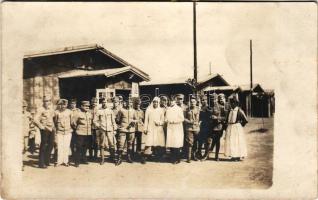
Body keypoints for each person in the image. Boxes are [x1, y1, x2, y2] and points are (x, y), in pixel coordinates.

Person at [224, 95, 248, 161]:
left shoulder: (239, 110)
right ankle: (233, 155)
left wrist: (239, 125)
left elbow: (245, 120)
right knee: (231, 142)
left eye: (232, 103)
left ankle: (237, 156)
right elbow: (227, 120)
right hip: (230, 127)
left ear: (235, 103)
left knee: (237, 142)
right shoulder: (230, 110)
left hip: (236, 128)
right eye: (230, 103)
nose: (231, 104)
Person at [33, 95, 55, 169]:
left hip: (51, 129)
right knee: (43, 145)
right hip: (44, 129)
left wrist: (54, 127)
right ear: (43, 101)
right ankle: (41, 163)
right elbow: (35, 119)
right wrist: (41, 127)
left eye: (48, 101)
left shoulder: (51, 109)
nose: (47, 102)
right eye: (45, 101)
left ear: (50, 102)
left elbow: (52, 118)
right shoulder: (40, 109)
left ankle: (46, 160)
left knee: (51, 144)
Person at [93, 98, 117, 165]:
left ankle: (112, 158)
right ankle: (102, 159)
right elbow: (95, 121)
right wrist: (99, 126)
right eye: (103, 102)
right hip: (102, 130)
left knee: (112, 144)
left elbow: (113, 121)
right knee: (102, 145)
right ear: (101, 103)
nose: (104, 103)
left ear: (108, 103)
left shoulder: (110, 111)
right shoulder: (99, 111)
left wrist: (114, 129)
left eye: (106, 102)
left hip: (110, 130)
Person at [143, 97, 165, 164]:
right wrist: (145, 128)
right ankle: (145, 157)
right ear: (152, 102)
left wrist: (159, 123)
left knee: (158, 142)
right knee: (149, 142)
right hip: (150, 128)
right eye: (154, 102)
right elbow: (146, 120)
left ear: (158, 103)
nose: (155, 103)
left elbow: (163, 121)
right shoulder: (148, 110)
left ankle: (157, 157)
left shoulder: (161, 110)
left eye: (157, 102)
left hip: (158, 129)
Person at [116, 99, 138, 165]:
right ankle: (119, 158)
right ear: (125, 103)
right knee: (121, 144)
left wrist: (134, 121)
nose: (129, 104)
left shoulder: (133, 111)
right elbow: (117, 120)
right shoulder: (121, 110)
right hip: (123, 130)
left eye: (130, 102)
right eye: (128, 102)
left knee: (130, 144)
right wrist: (119, 126)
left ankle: (128, 157)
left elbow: (136, 119)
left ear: (131, 103)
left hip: (131, 130)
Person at [72, 101, 93, 167]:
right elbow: (73, 123)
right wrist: (77, 129)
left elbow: (91, 123)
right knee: (79, 147)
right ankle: (77, 161)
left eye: (88, 106)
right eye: (85, 106)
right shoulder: (78, 114)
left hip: (88, 133)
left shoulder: (89, 114)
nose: (87, 107)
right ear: (81, 106)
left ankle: (84, 159)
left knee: (85, 147)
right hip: (80, 133)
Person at [53, 99, 72, 167]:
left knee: (66, 147)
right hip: (59, 131)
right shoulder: (56, 112)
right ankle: (59, 161)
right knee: (60, 147)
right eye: (61, 105)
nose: (63, 106)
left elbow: (72, 122)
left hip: (67, 131)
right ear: (59, 105)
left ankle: (66, 161)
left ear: (67, 105)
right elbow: (55, 122)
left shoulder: (69, 112)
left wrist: (71, 129)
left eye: (64, 105)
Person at [165, 98, 185, 164]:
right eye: (170, 101)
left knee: (176, 143)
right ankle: (172, 158)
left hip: (177, 128)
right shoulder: (168, 109)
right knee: (171, 143)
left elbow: (182, 118)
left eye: (172, 101)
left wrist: (174, 121)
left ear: (175, 101)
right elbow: (166, 118)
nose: (171, 102)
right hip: (170, 127)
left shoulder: (179, 109)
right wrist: (166, 120)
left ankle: (177, 159)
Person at [184, 97, 201, 163]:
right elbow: (184, 118)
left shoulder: (198, 109)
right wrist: (189, 121)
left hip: (196, 128)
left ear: (196, 102)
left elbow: (200, 118)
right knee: (189, 142)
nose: (192, 103)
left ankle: (194, 156)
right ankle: (189, 157)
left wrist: (199, 123)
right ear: (189, 103)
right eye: (191, 102)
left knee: (195, 142)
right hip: (189, 128)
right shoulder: (187, 109)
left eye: (194, 102)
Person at [198, 95, 212, 160]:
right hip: (202, 126)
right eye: (202, 100)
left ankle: (206, 155)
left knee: (207, 141)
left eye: (205, 100)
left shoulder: (209, 108)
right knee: (200, 141)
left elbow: (210, 117)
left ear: (207, 100)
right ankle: (199, 154)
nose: (204, 101)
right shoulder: (200, 108)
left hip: (208, 126)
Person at [22, 100, 31, 171]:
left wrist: (32, 131)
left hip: (26, 134)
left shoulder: (28, 114)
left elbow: (33, 121)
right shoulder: (18, 114)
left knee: (25, 147)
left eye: (25, 106)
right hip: (19, 134)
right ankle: (21, 163)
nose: (23, 108)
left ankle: (22, 160)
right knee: (20, 148)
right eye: (22, 107)